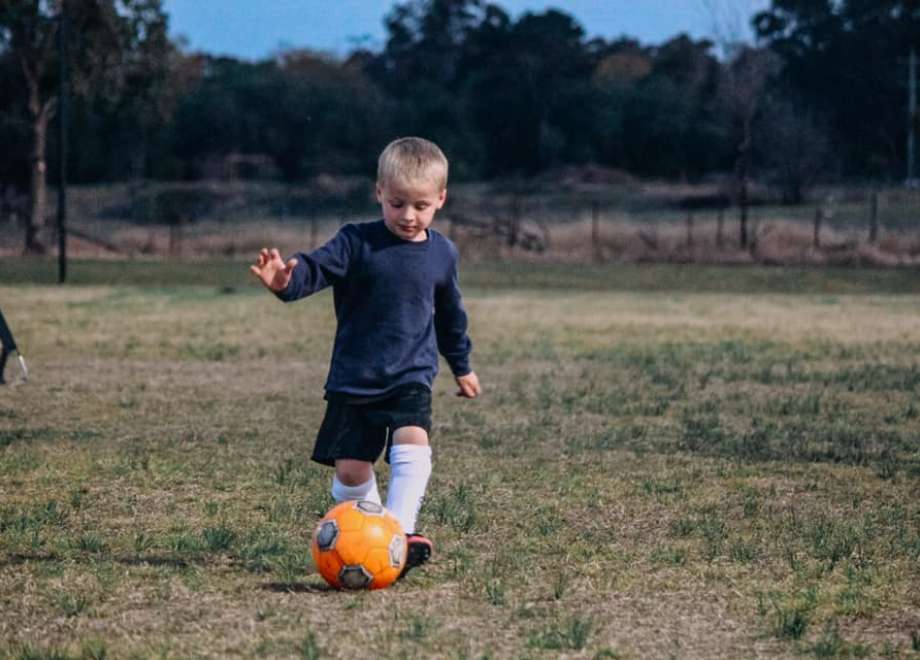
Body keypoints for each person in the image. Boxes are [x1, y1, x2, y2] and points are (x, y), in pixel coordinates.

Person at [250, 137, 481, 577]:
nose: (408, 216)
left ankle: (399, 533)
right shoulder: (356, 241)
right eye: (396, 204)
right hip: (354, 378)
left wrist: (462, 365)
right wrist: (285, 282)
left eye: (420, 205)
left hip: (411, 373)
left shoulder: (443, 254)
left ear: (441, 200)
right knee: (352, 471)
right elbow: (314, 269)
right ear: (379, 193)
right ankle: (368, 532)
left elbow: (451, 315)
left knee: (413, 438)